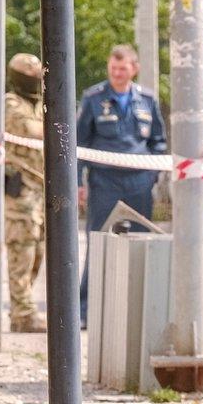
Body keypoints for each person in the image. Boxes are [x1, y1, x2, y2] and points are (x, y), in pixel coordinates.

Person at [76, 45, 166, 317]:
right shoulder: (93, 98)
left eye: (122, 68)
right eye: (113, 68)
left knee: (141, 243)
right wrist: (80, 181)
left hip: (139, 182)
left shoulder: (147, 100)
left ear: (134, 69)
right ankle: (87, 309)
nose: (117, 73)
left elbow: (158, 142)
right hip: (105, 182)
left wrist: (153, 175)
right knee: (100, 242)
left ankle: (143, 308)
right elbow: (80, 143)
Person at [3, 52, 48, 333]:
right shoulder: (12, 103)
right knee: (21, 251)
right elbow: (30, 129)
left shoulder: (40, 104)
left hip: (40, 189)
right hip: (21, 190)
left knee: (38, 252)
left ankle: (23, 308)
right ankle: (23, 313)